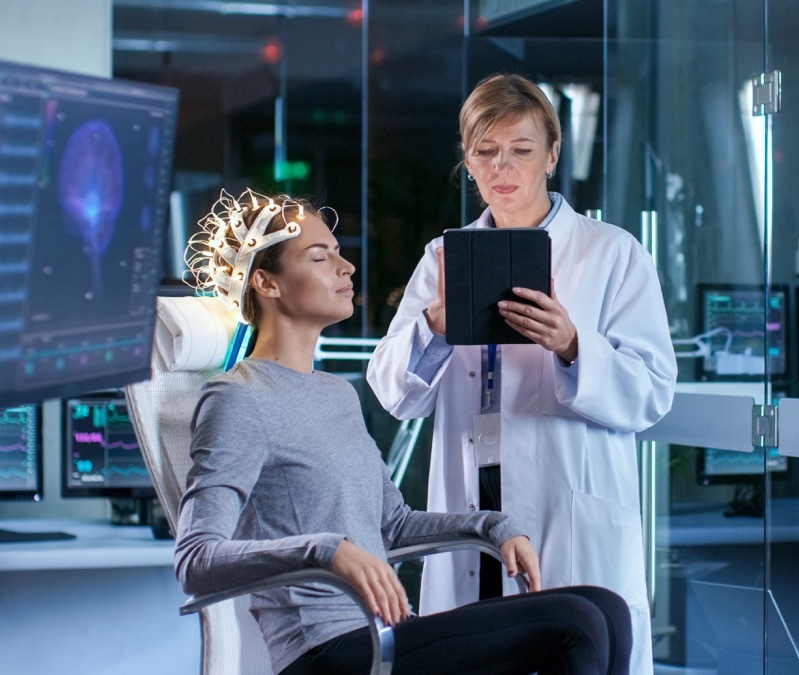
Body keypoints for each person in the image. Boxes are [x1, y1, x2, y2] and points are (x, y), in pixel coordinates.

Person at [175, 188, 633, 675]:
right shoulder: (238, 398)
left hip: (387, 631)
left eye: (338, 252)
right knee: (576, 621)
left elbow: (394, 525)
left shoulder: (336, 393)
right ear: (266, 282)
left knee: (607, 608)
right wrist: (328, 551)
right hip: (329, 650)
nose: (346, 267)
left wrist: (493, 526)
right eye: (319, 256)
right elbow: (197, 559)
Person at [367, 73, 677, 673]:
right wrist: (434, 321)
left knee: (575, 649)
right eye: (485, 151)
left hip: (569, 509)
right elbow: (392, 391)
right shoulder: (440, 259)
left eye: (521, 149)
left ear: (553, 154)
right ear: (468, 160)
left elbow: (653, 393)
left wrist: (571, 346)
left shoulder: (612, 253)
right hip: (473, 507)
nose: (502, 167)